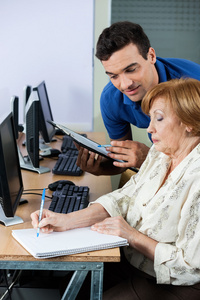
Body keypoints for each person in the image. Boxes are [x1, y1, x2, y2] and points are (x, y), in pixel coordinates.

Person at [31, 78, 200, 299]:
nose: (149, 128)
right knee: (66, 283)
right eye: (150, 119)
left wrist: (131, 235)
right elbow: (123, 198)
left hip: (174, 283)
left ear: (190, 123)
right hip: (133, 262)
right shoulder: (160, 155)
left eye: (159, 118)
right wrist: (65, 220)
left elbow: (190, 267)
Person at [76, 21, 200, 176]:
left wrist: (148, 157)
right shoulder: (111, 99)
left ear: (151, 56)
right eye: (114, 76)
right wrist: (100, 169)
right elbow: (122, 160)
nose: (125, 85)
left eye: (131, 70)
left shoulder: (193, 85)